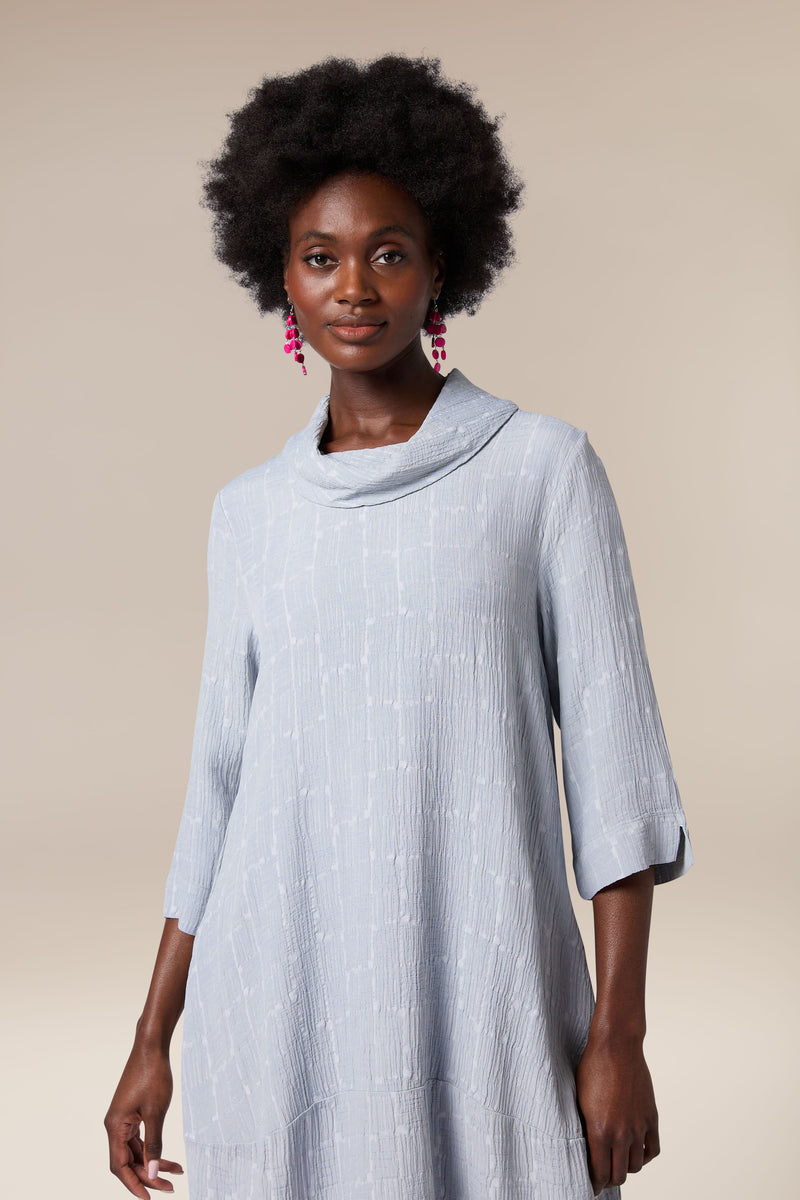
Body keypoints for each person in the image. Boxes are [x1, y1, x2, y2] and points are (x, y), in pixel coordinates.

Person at [104, 53, 694, 1200]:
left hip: (487, 1006)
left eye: (386, 253)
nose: (353, 287)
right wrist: (149, 1039)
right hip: (281, 1012)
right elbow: (216, 794)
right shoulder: (249, 514)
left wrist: (617, 1035)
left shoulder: (540, 470)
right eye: (318, 257)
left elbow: (616, 776)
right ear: (280, 279)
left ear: (440, 270)